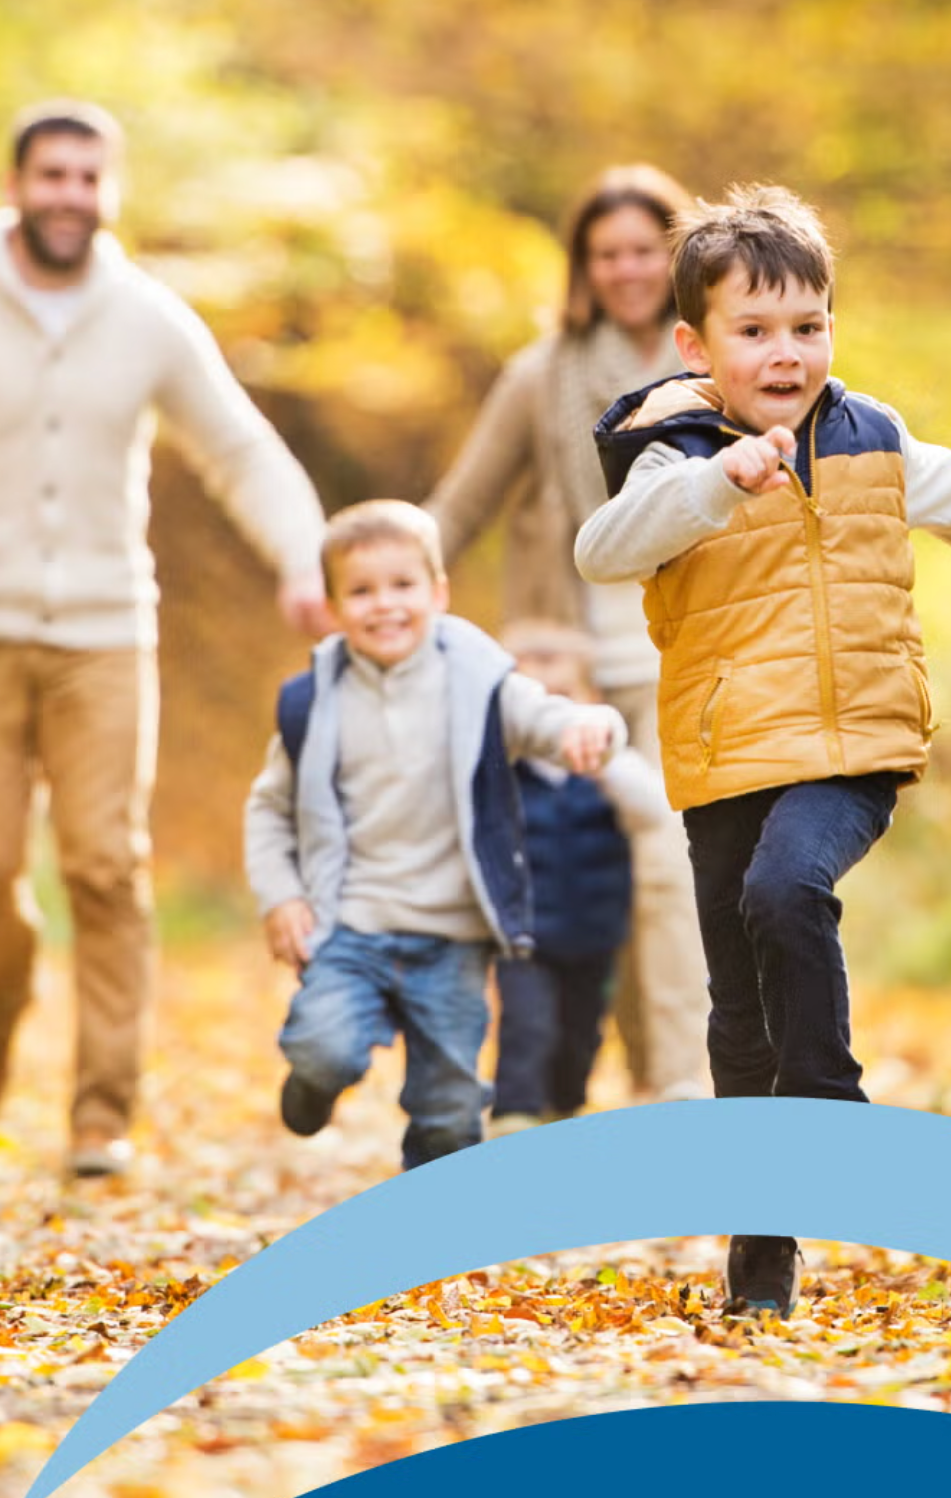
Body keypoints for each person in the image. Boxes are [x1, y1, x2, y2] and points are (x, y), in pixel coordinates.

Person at [573, 183, 951, 1317]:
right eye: (753, 332)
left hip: (853, 744)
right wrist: (718, 481)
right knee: (737, 1015)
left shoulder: (872, 436)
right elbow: (604, 550)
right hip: (726, 760)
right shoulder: (675, 452)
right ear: (695, 345)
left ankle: (830, 1107)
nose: (785, 353)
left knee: (787, 887)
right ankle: (763, 1251)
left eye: (807, 327)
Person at [0, 97, 332, 1181]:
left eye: (89, 178)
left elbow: (239, 450)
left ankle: (102, 1112)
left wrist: (303, 560)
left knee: (106, 863)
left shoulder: (148, 318)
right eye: (50, 175)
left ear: (112, 193)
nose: (69, 195)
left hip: (107, 632)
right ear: (14, 186)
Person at [425, 164, 715, 1104]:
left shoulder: (721, 363)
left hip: (693, 656)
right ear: (583, 268)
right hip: (572, 670)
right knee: (600, 890)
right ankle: (613, 1085)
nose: (627, 270)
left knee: (671, 872)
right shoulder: (542, 376)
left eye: (645, 250)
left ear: (677, 256)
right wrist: (372, 580)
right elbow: (461, 505)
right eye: (607, 254)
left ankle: (675, 1087)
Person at [246, 503, 626, 1170]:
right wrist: (281, 896)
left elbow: (544, 719)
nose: (384, 606)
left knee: (449, 1111)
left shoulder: (479, 685)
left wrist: (586, 729)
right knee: (323, 1048)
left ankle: (433, 1222)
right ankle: (313, 1085)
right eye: (361, 592)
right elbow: (269, 807)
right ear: (332, 608)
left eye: (402, 586)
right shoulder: (312, 704)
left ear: (438, 593)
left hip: (450, 937)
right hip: (351, 927)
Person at [488, 620, 683, 1128]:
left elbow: (655, 812)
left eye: (564, 698)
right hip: (524, 938)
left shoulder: (613, 775)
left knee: (578, 1041)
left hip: (594, 938)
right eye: (536, 702)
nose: (552, 717)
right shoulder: (504, 774)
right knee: (527, 1028)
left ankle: (561, 1108)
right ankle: (513, 1116)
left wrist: (603, 758)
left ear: (593, 699)